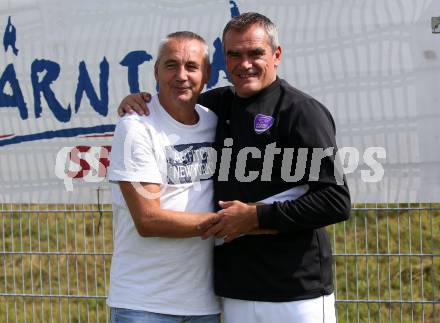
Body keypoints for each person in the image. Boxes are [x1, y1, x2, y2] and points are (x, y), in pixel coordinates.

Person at [118, 13, 351, 323]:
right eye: (234, 54)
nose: (245, 64)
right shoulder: (217, 107)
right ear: (224, 61)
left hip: (296, 292)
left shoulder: (301, 112)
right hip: (235, 295)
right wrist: (138, 100)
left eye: (255, 53)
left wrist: (255, 217)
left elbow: (335, 201)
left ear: (276, 55)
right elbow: (174, 100)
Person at [107, 31, 221, 323]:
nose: (181, 75)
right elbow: (148, 220)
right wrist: (229, 222)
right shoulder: (136, 127)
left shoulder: (216, 121)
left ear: (207, 73)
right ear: (156, 71)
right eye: (171, 65)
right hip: (144, 304)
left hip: (204, 304)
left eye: (191, 66)